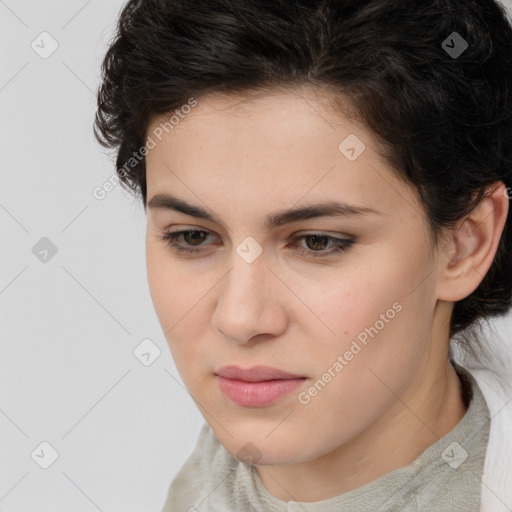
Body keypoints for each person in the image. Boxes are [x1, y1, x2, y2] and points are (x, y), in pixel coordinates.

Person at [93, 0, 512, 510]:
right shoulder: (205, 481)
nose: (239, 319)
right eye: (193, 237)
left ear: (465, 244)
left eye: (318, 242)